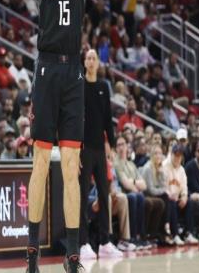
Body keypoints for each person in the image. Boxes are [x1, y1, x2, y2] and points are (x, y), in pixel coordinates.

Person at [26, 0, 91, 273]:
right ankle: (32, 254)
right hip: (47, 71)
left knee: (70, 167)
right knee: (39, 162)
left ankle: (71, 256)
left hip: (73, 76)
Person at [79, 49, 122, 260]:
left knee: (104, 194)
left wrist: (111, 145)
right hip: (84, 148)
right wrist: (75, 149)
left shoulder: (104, 86)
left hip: (99, 149)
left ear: (98, 63)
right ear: (84, 62)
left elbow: (107, 118)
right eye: (87, 58)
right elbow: (75, 118)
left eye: (93, 58)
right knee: (82, 195)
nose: (90, 61)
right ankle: (83, 243)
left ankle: (105, 242)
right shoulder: (80, 85)